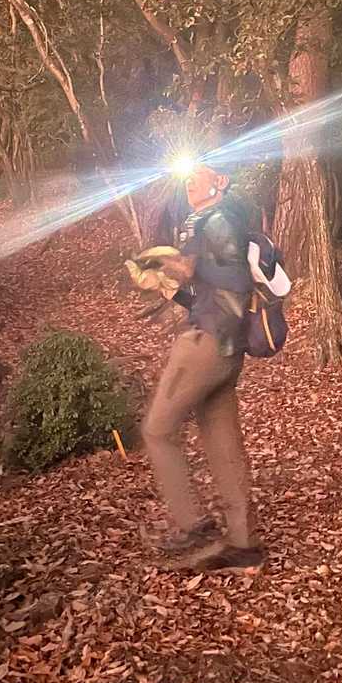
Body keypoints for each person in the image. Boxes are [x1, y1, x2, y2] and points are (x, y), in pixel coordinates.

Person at [138, 161, 264, 573]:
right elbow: (209, 295)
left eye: (200, 172)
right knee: (222, 442)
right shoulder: (210, 221)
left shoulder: (218, 219)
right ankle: (243, 545)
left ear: (220, 181)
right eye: (187, 175)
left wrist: (188, 267)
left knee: (157, 430)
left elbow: (239, 282)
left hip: (206, 344)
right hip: (225, 347)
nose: (190, 180)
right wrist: (168, 286)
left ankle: (193, 527)